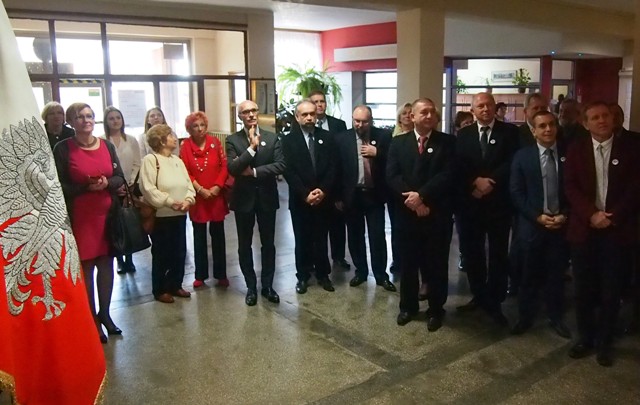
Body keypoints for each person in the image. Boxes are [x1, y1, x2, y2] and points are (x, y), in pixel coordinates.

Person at [564, 101, 640, 367]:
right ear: (585, 123)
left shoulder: (631, 149)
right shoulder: (575, 149)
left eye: (605, 116)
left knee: (611, 289)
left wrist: (612, 216)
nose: (601, 121)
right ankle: (586, 338)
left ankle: (605, 341)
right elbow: (570, 187)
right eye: (594, 117)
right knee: (583, 288)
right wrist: (592, 214)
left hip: (617, 230)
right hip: (584, 230)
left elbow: (635, 188)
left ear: (613, 119)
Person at [53, 102, 125, 343]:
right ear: (71, 122)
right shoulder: (63, 148)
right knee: (86, 268)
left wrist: (106, 183)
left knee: (106, 265)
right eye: (80, 117)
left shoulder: (106, 145)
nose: (86, 120)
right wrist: (86, 187)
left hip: (108, 216)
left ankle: (105, 313)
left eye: (90, 116)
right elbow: (58, 186)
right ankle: (91, 318)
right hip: (81, 218)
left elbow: (119, 177)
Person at [387, 98, 455, 331]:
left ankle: (436, 309)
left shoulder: (447, 142)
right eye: (423, 112)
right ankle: (408, 307)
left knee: (436, 264)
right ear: (412, 116)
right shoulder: (398, 143)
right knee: (408, 264)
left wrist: (423, 196)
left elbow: (448, 175)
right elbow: (392, 176)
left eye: (432, 112)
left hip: (436, 214)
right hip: (407, 214)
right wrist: (414, 202)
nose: (429, 116)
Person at [454, 92, 519, 326]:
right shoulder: (463, 134)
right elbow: (458, 164)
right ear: (472, 110)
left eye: (488, 105)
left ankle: (495, 300)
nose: (485, 109)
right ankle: (478, 295)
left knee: (498, 254)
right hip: (470, 203)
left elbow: (512, 162)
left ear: (495, 107)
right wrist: (475, 182)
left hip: (498, 203)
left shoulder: (510, 132)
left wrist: (490, 181)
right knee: (473, 253)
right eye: (480, 106)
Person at [509, 111, 571, 339]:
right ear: (533, 131)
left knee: (556, 275)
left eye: (551, 124)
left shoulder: (569, 154)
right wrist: (537, 217)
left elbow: (576, 188)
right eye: (542, 126)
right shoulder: (522, 156)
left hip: (560, 226)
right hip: (532, 226)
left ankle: (555, 316)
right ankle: (525, 317)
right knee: (528, 275)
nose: (548, 129)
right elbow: (516, 192)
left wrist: (565, 215)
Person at [226, 100, 285, 306]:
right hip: (243, 200)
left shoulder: (272, 137)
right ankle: (251, 287)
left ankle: (268, 285)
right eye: (246, 112)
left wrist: (254, 172)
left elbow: (280, 165)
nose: (251, 114)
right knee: (244, 245)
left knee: (268, 244)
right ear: (240, 116)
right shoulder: (233, 140)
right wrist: (251, 148)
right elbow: (233, 168)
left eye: (253, 110)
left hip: (267, 198)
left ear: (258, 113)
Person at [334, 105, 396, 292]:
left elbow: (394, 161)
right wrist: (337, 196)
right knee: (355, 236)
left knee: (377, 236)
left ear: (371, 120)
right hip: (351, 196)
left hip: (374, 195)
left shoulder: (384, 136)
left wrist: (378, 153)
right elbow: (336, 169)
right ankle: (360, 271)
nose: (360, 125)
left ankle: (381, 275)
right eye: (356, 121)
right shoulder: (342, 138)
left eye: (364, 121)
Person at [282, 99, 336, 294]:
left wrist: (323, 191)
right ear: (297, 117)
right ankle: (303, 276)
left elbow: (333, 167)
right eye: (304, 114)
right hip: (300, 200)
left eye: (312, 114)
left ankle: (323, 274)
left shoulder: (327, 138)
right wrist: (305, 194)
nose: (309, 117)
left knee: (321, 238)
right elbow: (289, 171)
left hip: (323, 199)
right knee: (302, 239)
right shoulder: (288, 141)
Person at [139, 124, 195, 304]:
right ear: (161, 140)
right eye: (171, 135)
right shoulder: (150, 160)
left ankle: (175, 284)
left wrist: (188, 200)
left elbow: (188, 184)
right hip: (161, 216)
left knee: (180, 252)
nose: (175, 138)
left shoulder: (177, 160)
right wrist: (170, 202)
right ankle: (160, 289)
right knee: (162, 253)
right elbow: (148, 188)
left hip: (180, 214)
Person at [180, 111, 229, 290]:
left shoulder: (215, 142)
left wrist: (217, 186)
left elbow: (224, 166)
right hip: (198, 197)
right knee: (199, 237)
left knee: (218, 236)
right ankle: (200, 275)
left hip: (216, 195)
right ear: (189, 129)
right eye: (195, 126)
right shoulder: (185, 146)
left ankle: (221, 274)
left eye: (202, 125)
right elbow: (185, 171)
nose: (200, 129)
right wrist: (200, 189)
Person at [309, 90, 349, 270]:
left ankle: (338, 257)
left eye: (322, 101)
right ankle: (316, 260)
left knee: (337, 224)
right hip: (313, 185)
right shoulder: (301, 125)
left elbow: (342, 155)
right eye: (315, 102)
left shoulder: (338, 125)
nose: (319, 105)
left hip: (334, 183)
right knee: (316, 228)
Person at [102, 106, 141, 274]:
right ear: (106, 121)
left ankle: (130, 259)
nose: (115, 121)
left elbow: (137, 162)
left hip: (129, 187)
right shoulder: (102, 140)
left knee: (129, 222)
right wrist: (115, 185)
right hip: (110, 189)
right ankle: (119, 259)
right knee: (116, 225)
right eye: (111, 118)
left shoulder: (131, 140)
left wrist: (129, 183)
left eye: (118, 117)